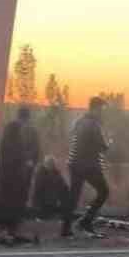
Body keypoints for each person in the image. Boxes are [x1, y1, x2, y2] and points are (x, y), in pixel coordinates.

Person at [0, 106, 40, 243]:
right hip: (19, 176)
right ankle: (12, 228)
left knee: (7, 202)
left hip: (6, 179)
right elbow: (35, 151)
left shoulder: (6, 136)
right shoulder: (28, 132)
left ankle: (4, 229)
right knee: (18, 201)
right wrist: (30, 163)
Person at [62, 96, 109, 238]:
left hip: (74, 163)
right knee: (104, 191)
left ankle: (66, 228)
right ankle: (86, 221)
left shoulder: (79, 121)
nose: (102, 112)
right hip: (88, 165)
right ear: (95, 108)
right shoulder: (94, 125)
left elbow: (74, 139)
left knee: (73, 195)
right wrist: (110, 142)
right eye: (101, 109)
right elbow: (102, 147)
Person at [32, 155, 70, 219]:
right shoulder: (40, 174)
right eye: (49, 164)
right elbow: (37, 189)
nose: (51, 166)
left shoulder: (57, 174)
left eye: (52, 164)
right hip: (42, 203)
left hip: (52, 202)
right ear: (45, 164)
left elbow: (64, 187)